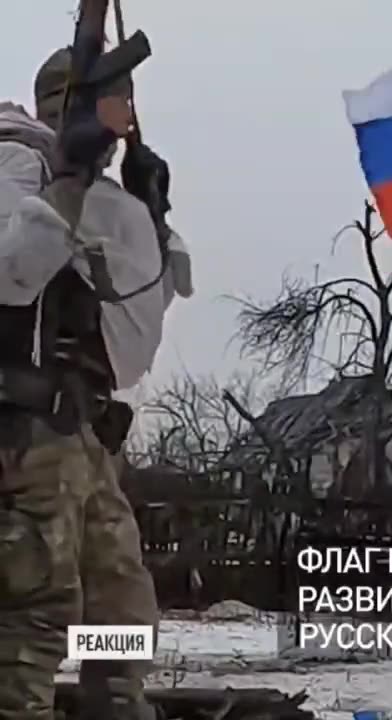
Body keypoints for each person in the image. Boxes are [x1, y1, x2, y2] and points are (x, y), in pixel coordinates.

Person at [0, 46, 193, 720]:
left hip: (79, 432)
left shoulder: (103, 193)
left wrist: (151, 214)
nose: (117, 125)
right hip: (19, 428)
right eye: (102, 107)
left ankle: (111, 701)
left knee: (117, 599)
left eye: (123, 108)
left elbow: (134, 326)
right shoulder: (17, 161)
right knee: (34, 608)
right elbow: (10, 272)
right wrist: (70, 179)